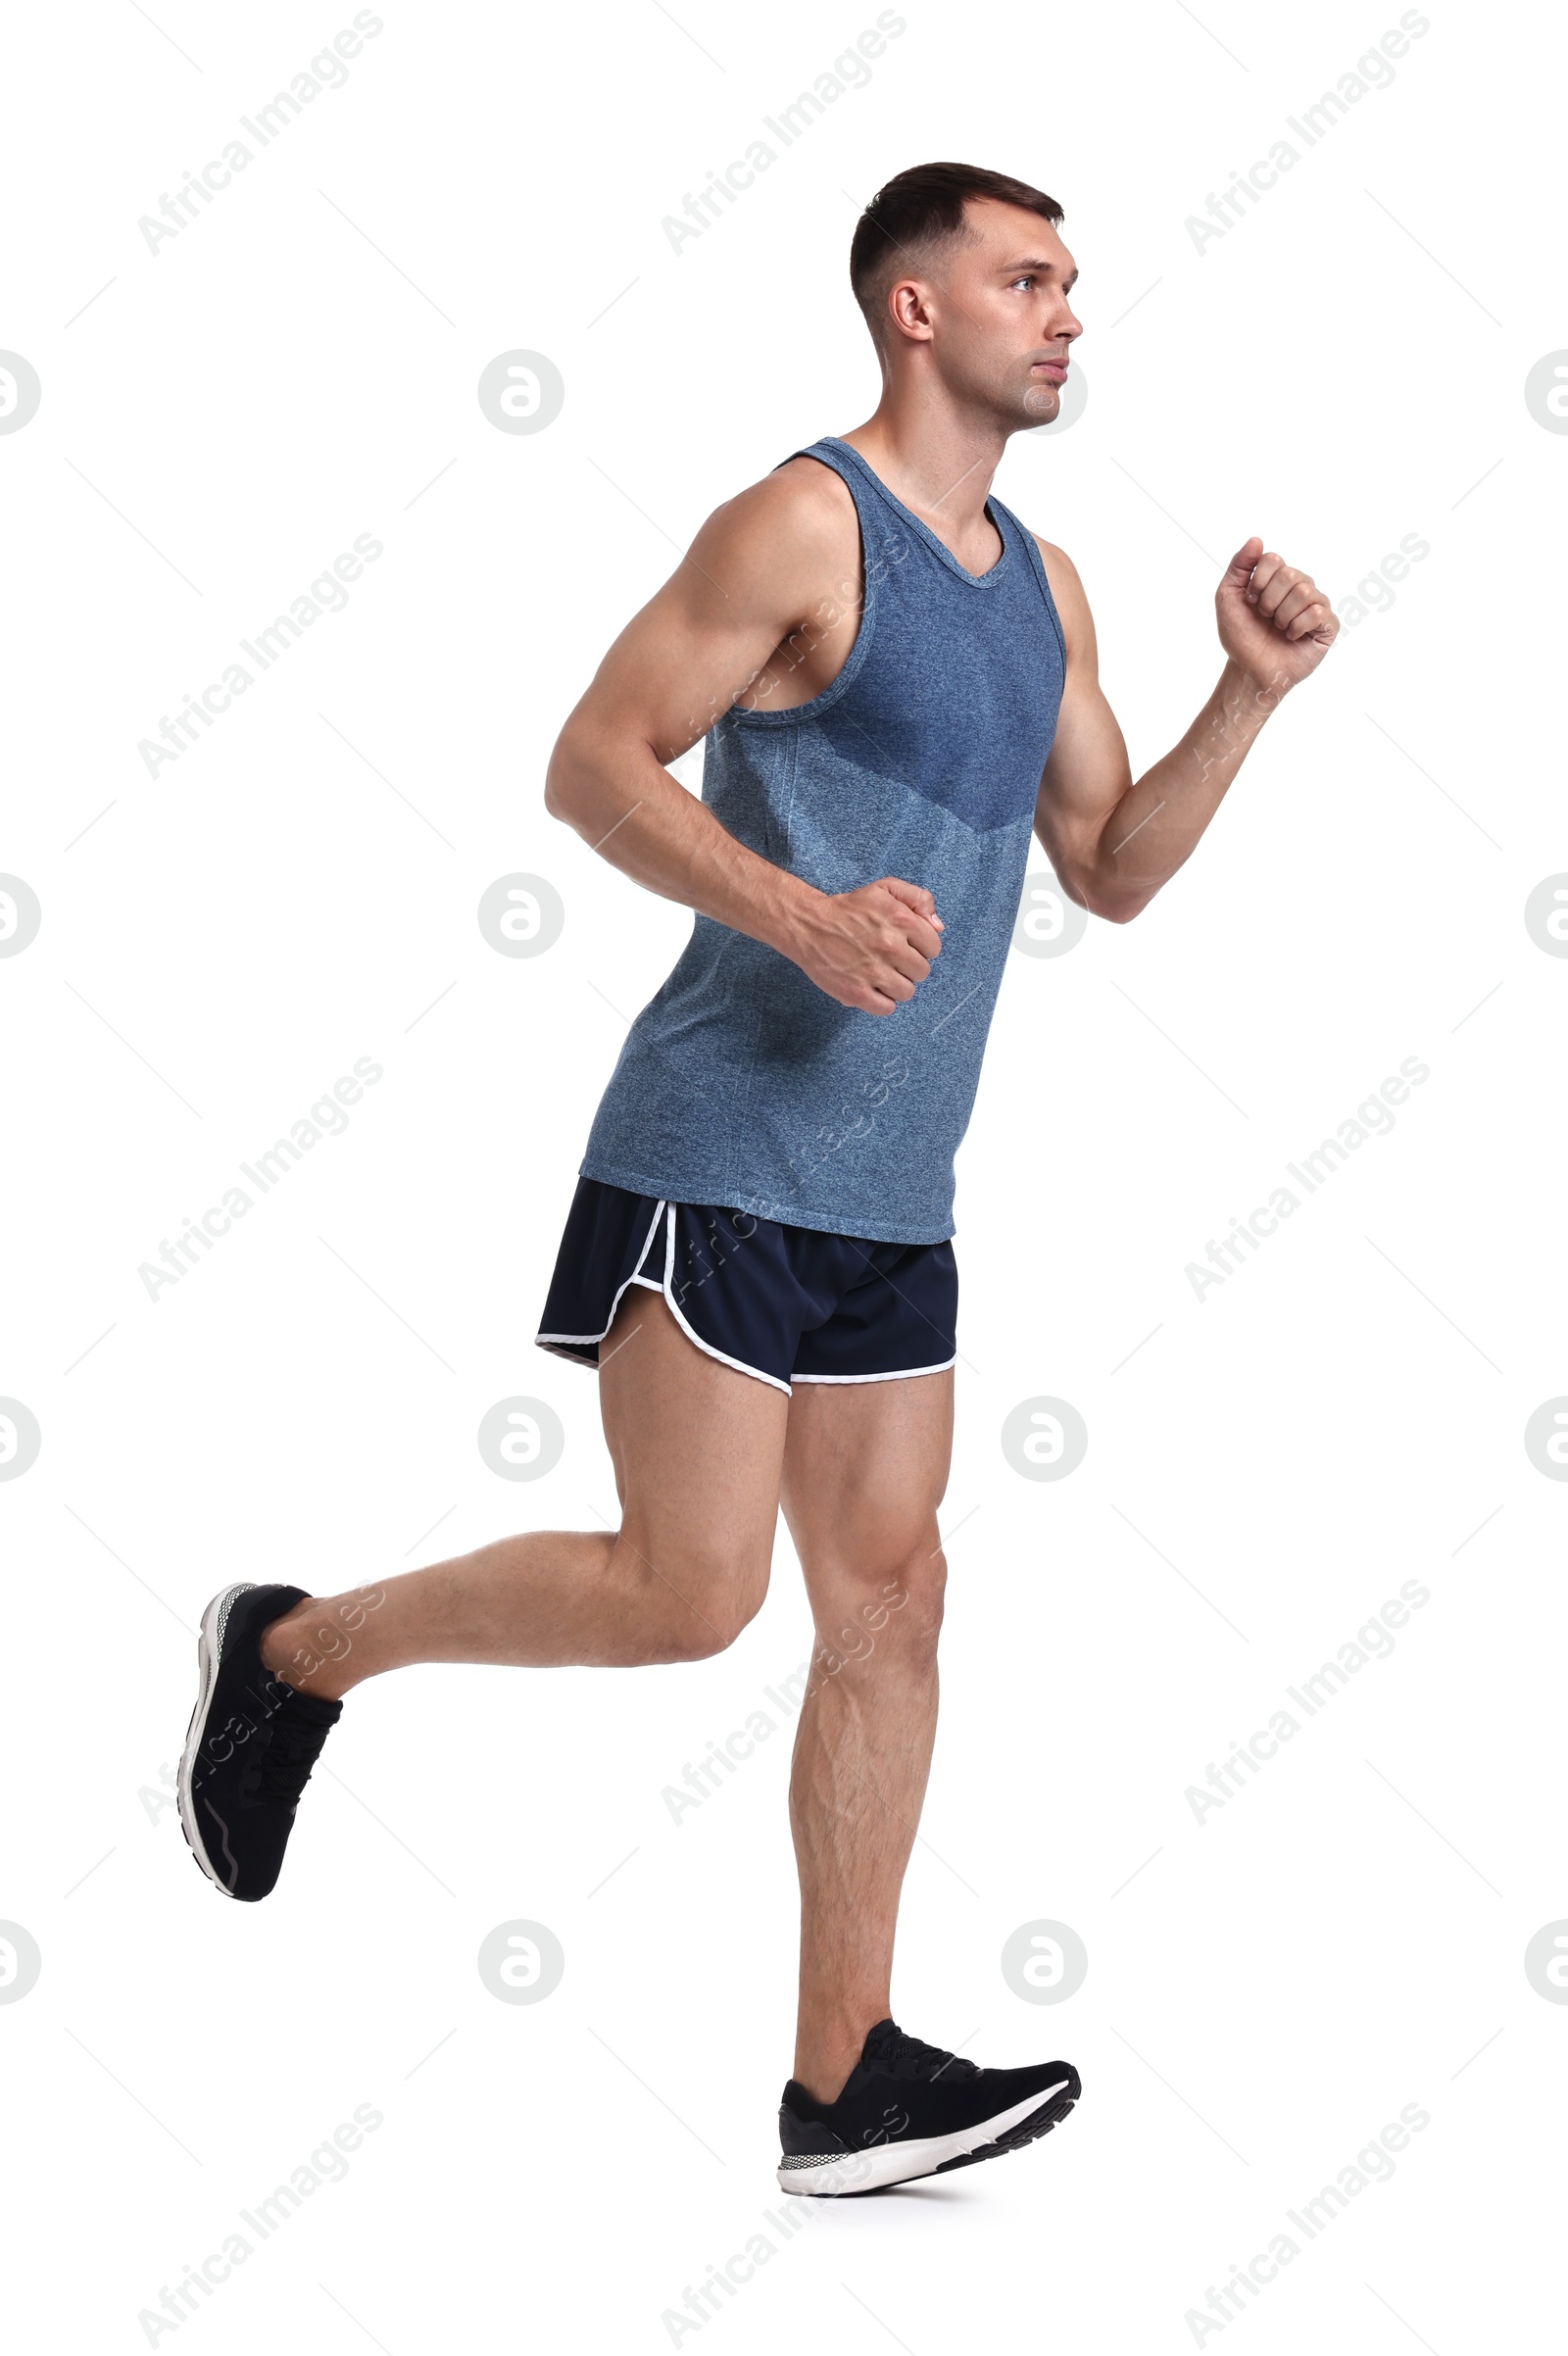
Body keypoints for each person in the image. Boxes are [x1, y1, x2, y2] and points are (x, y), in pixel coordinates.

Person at [176, 159, 1338, 2195]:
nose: (1063, 312)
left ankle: (842, 2081)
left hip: (899, 1192)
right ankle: (291, 1650)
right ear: (914, 308)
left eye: (1070, 282)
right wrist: (800, 917)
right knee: (686, 1594)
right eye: (1024, 277)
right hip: (719, 1144)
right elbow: (595, 759)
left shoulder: (1042, 586)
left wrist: (1242, 691)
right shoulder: (803, 520)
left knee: (890, 1594)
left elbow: (1114, 869)